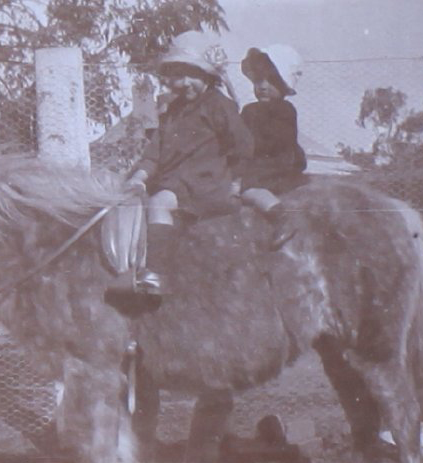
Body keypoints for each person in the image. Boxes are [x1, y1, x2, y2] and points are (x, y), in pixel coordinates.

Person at [111, 31, 254, 297]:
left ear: (208, 76)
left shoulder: (219, 106)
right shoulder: (171, 113)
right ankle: (124, 268)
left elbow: (242, 146)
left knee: (159, 203)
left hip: (206, 184)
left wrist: (236, 181)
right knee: (129, 206)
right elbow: (153, 155)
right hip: (176, 183)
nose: (184, 82)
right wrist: (138, 178)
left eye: (192, 75)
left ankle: (155, 273)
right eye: (178, 76)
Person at [238, 44, 308, 250]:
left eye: (271, 81)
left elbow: (279, 140)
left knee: (248, 188)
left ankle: (280, 216)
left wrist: (249, 144)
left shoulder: (284, 110)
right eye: (259, 80)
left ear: (284, 86)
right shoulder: (249, 109)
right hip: (256, 161)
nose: (263, 86)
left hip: (276, 164)